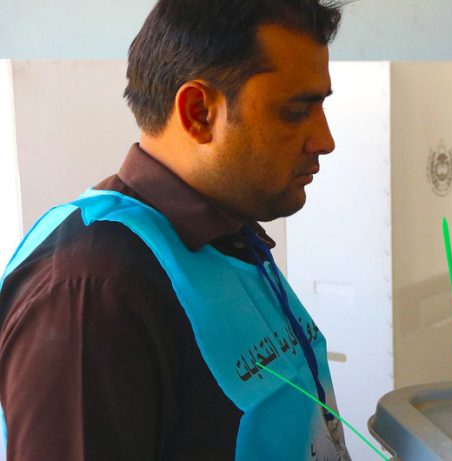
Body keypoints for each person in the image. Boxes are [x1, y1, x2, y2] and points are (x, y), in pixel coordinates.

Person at [0, 0, 349, 459]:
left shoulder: (228, 235)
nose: (325, 140)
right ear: (198, 111)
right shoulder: (92, 290)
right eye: (293, 112)